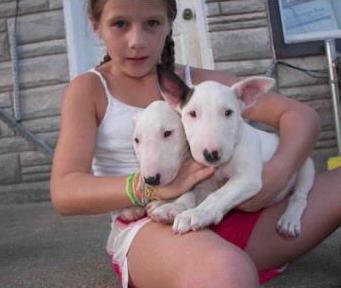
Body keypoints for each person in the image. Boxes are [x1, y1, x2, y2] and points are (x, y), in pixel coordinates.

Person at [50, 0, 341, 287]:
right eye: (120, 24)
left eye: (152, 23)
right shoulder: (90, 90)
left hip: (239, 207)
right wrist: (148, 187)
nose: (137, 41)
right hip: (156, 227)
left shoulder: (197, 82)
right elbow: (65, 190)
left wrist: (274, 175)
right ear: (96, 26)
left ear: (168, 25)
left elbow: (301, 115)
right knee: (226, 272)